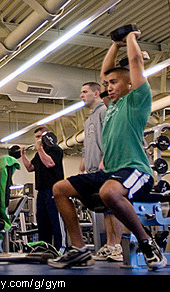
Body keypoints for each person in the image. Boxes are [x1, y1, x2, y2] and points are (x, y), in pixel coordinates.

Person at [48, 30, 167, 270]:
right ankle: (80, 250)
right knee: (60, 189)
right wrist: (114, 45)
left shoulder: (137, 101)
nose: (109, 87)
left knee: (109, 193)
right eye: (107, 85)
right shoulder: (110, 105)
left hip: (136, 171)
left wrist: (131, 38)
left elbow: (135, 63)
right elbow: (104, 74)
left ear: (129, 84)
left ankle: (147, 244)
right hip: (112, 172)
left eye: (114, 83)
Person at [79, 81, 124, 262]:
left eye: (84, 92)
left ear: (96, 93)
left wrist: (105, 160)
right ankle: (110, 245)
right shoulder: (89, 118)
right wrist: (82, 167)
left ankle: (118, 246)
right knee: (104, 208)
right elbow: (87, 146)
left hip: (105, 166)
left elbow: (110, 138)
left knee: (113, 208)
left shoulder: (104, 112)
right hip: (92, 169)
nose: (81, 95)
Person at [20, 126, 67, 254]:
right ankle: (45, 249)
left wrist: (40, 148)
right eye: (37, 137)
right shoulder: (38, 153)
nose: (38, 139)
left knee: (56, 221)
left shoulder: (55, 150)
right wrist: (23, 155)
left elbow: (49, 163)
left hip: (54, 190)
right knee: (42, 221)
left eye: (40, 136)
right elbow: (30, 168)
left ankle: (61, 249)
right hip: (41, 191)